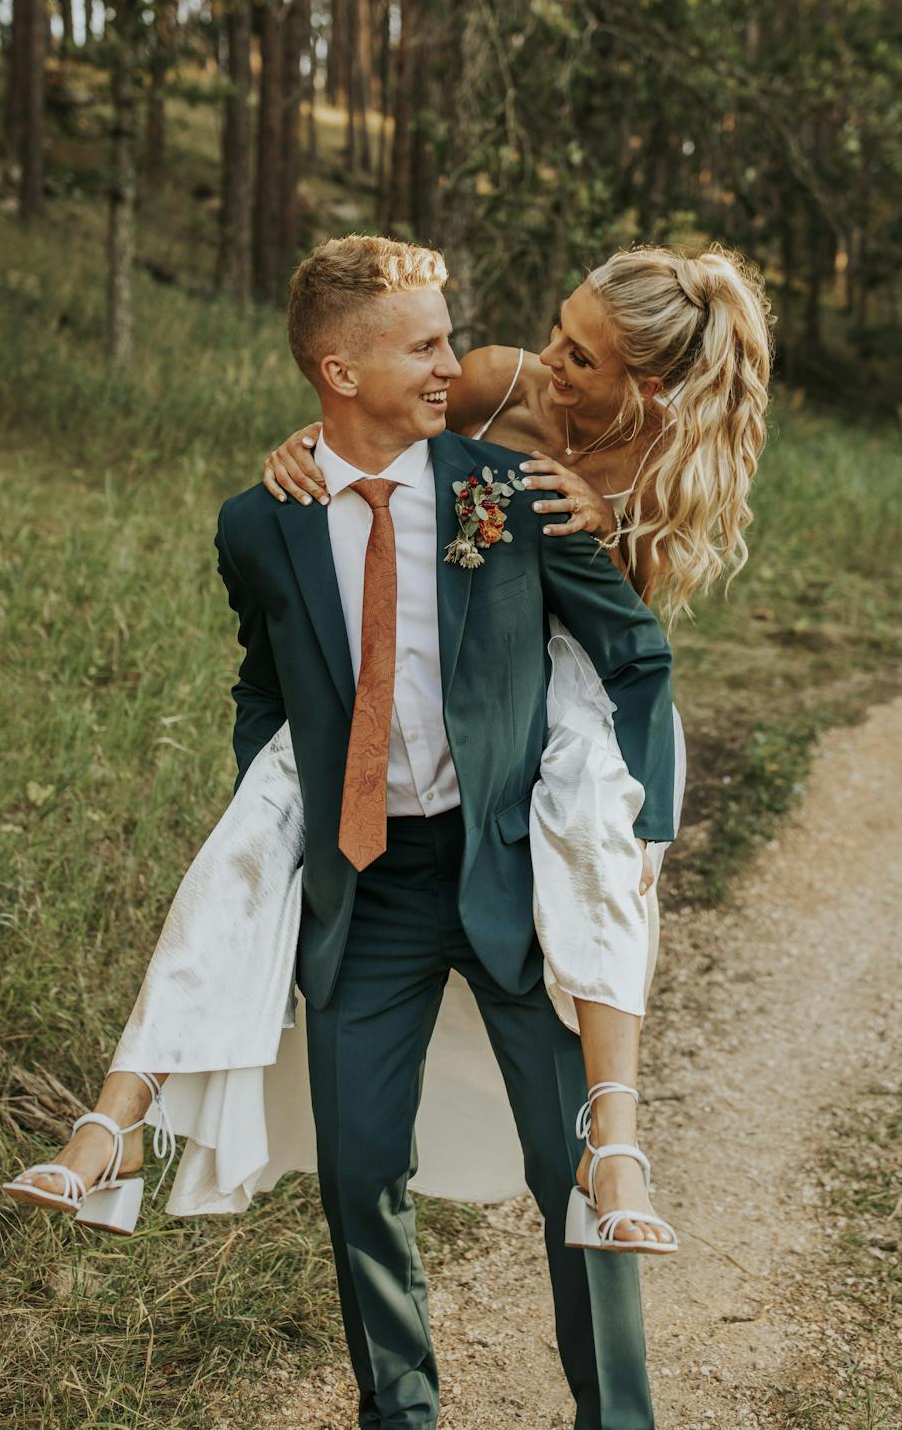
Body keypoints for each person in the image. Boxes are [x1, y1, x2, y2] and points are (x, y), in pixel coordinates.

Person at [5, 234, 686, 1429]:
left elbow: (636, 654)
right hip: (367, 885)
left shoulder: (501, 492)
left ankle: (618, 1417)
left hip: (509, 873)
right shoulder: (259, 523)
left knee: (571, 1170)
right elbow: (262, 686)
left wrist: (636, 833)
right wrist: (289, 807)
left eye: (444, 341)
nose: (449, 364)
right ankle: (400, 1412)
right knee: (361, 1172)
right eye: (422, 346)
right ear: (338, 370)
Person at [263, 240, 773, 1238]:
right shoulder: (497, 383)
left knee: (593, 811)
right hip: (466, 662)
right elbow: (372, 434)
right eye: (558, 330)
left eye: (580, 358)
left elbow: (624, 644)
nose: (550, 360)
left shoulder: (669, 460)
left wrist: (599, 542)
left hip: (577, 675)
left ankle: (614, 1135)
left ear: (652, 387)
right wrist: (300, 451)